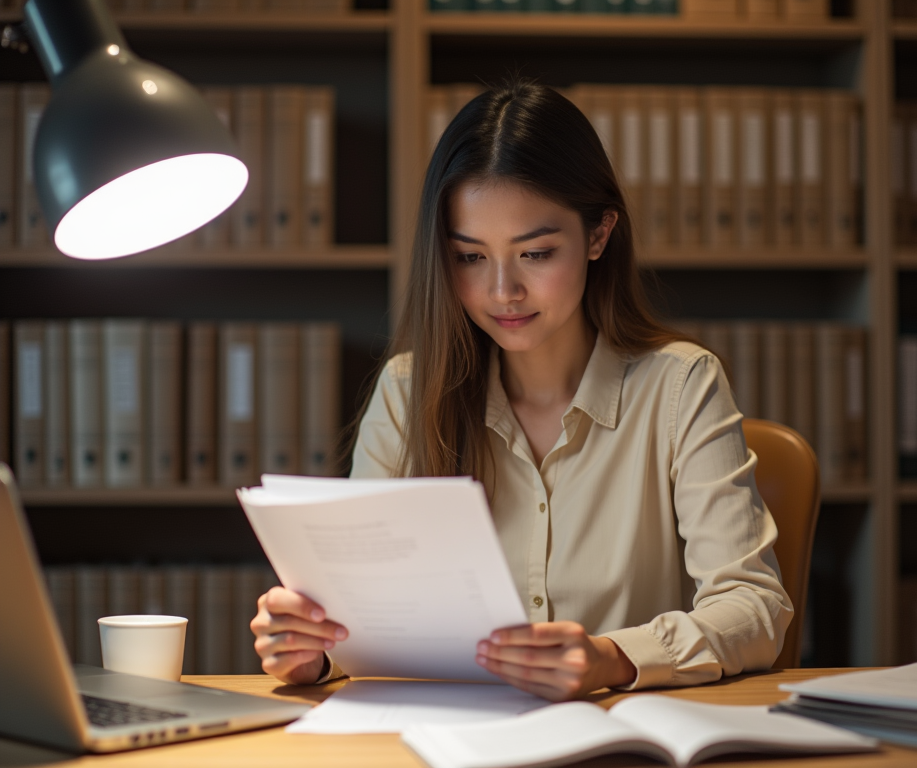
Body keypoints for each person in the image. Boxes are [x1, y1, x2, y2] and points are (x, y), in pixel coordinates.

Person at [250, 79, 793, 701]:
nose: (502, 291)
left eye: (535, 253)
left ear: (597, 235)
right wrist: (312, 650)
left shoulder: (681, 386)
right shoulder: (408, 391)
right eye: (471, 258)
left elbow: (754, 607)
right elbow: (365, 616)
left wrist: (611, 658)